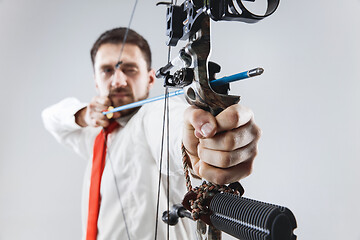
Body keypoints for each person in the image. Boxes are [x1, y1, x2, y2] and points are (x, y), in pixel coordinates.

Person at [42, 27, 261, 240]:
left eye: (130, 69)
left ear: (149, 79)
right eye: (107, 70)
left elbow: (171, 125)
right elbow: (50, 117)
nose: (118, 81)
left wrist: (198, 142)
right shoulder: (94, 135)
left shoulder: (150, 117)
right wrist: (83, 115)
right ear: (95, 80)